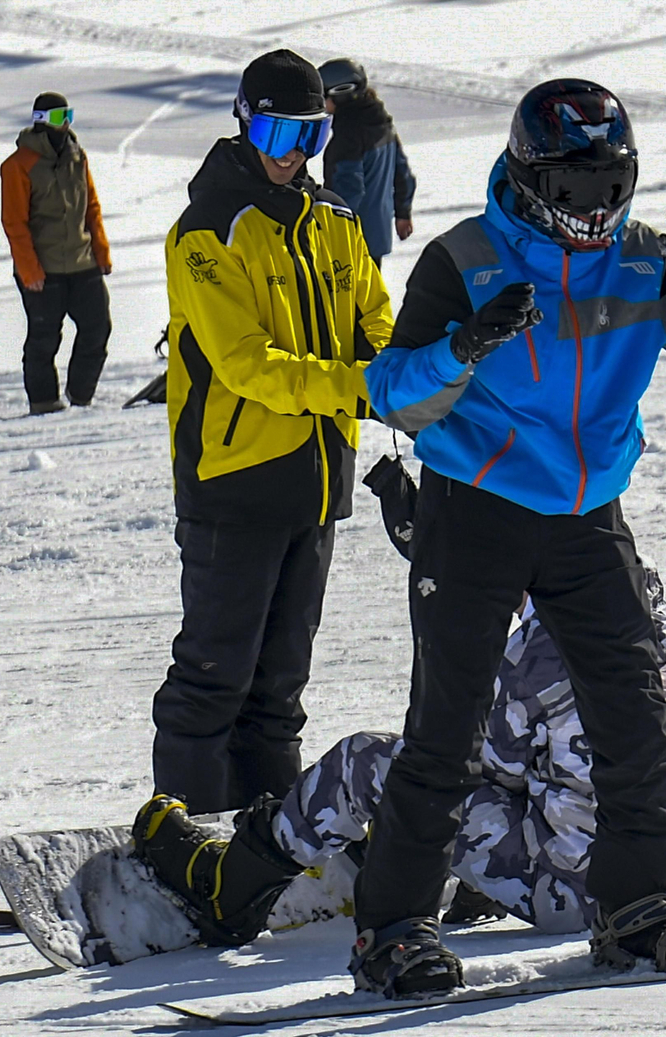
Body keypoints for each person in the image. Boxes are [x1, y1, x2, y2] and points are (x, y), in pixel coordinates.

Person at [352, 78, 666, 997]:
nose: (597, 210)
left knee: (635, 716)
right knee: (447, 728)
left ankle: (636, 907)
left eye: (613, 185)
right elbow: (387, 396)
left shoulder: (647, 261)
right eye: (577, 192)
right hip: (476, 512)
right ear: (533, 178)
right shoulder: (463, 259)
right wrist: (463, 348)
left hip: (587, 519)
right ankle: (393, 930)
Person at [133, 561, 666, 946]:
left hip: (586, 895)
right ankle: (456, 870)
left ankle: (230, 885)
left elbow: (452, 763)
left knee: (372, 763)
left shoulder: (537, 658)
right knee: (559, 762)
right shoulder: (651, 632)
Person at [150, 50, 392, 816]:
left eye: (309, 135)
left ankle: (269, 845)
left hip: (317, 483)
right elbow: (248, 364)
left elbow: (378, 324)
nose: (290, 152)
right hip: (235, 481)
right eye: (275, 130)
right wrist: (360, 388)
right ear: (245, 122)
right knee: (215, 676)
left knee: (281, 685)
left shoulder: (337, 225)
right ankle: (185, 837)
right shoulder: (208, 233)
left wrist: (411, 371)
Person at [0, 93, 114, 414]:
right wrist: (29, 270)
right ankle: (44, 403)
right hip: (42, 269)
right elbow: (14, 222)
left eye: (69, 116)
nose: (65, 124)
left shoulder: (78, 157)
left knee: (97, 328)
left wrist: (101, 252)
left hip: (82, 262)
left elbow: (91, 206)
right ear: (40, 121)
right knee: (44, 339)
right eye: (58, 117)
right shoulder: (18, 165)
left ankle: (80, 398)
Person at [317, 58, 415, 270]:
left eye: (321, 96)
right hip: (375, 235)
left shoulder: (349, 135)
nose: (319, 104)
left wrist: (331, 231)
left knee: (350, 301)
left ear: (340, 94)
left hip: (351, 242)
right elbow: (403, 173)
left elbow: (349, 189)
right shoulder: (380, 122)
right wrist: (403, 212)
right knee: (370, 298)